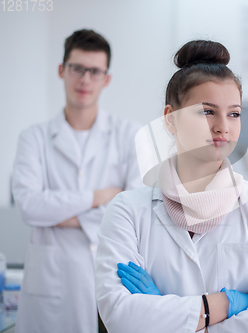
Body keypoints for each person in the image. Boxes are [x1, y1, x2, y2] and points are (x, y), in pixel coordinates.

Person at [94, 40, 248, 333]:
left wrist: (167, 317)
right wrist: (220, 305)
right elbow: (119, 315)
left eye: (234, 113)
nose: (223, 127)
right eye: (207, 111)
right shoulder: (128, 211)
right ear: (170, 119)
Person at [12, 29, 142, 333]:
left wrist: (56, 214)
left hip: (115, 278)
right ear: (62, 71)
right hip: (55, 287)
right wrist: (100, 196)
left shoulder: (128, 135)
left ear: (106, 79)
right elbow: (30, 207)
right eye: (77, 68)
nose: (85, 79)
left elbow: (134, 212)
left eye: (95, 71)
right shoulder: (34, 138)